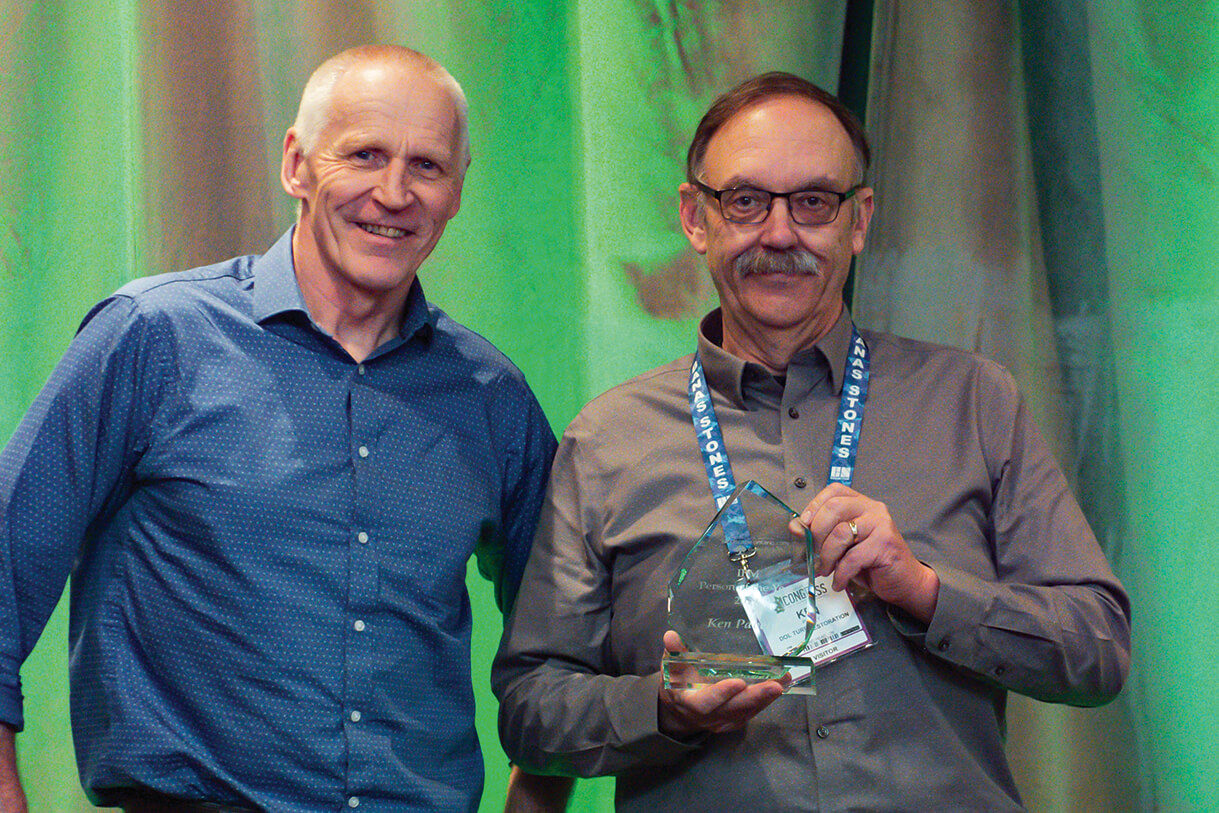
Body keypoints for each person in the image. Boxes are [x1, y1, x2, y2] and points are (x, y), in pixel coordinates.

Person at [492, 72, 1132, 812]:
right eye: (745, 200)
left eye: (813, 202)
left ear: (858, 221)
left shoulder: (973, 401)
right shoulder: (607, 440)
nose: (778, 234)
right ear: (695, 218)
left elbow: (1098, 649)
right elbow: (530, 710)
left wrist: (923, 590)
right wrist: (660, 710)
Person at [0, 45, 557, 812]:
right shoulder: (154, 338)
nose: (394, 193)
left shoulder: (491, 397)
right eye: (364, 155)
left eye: (426, 166)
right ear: (296, 164)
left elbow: (559, 646)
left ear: (458, 188)